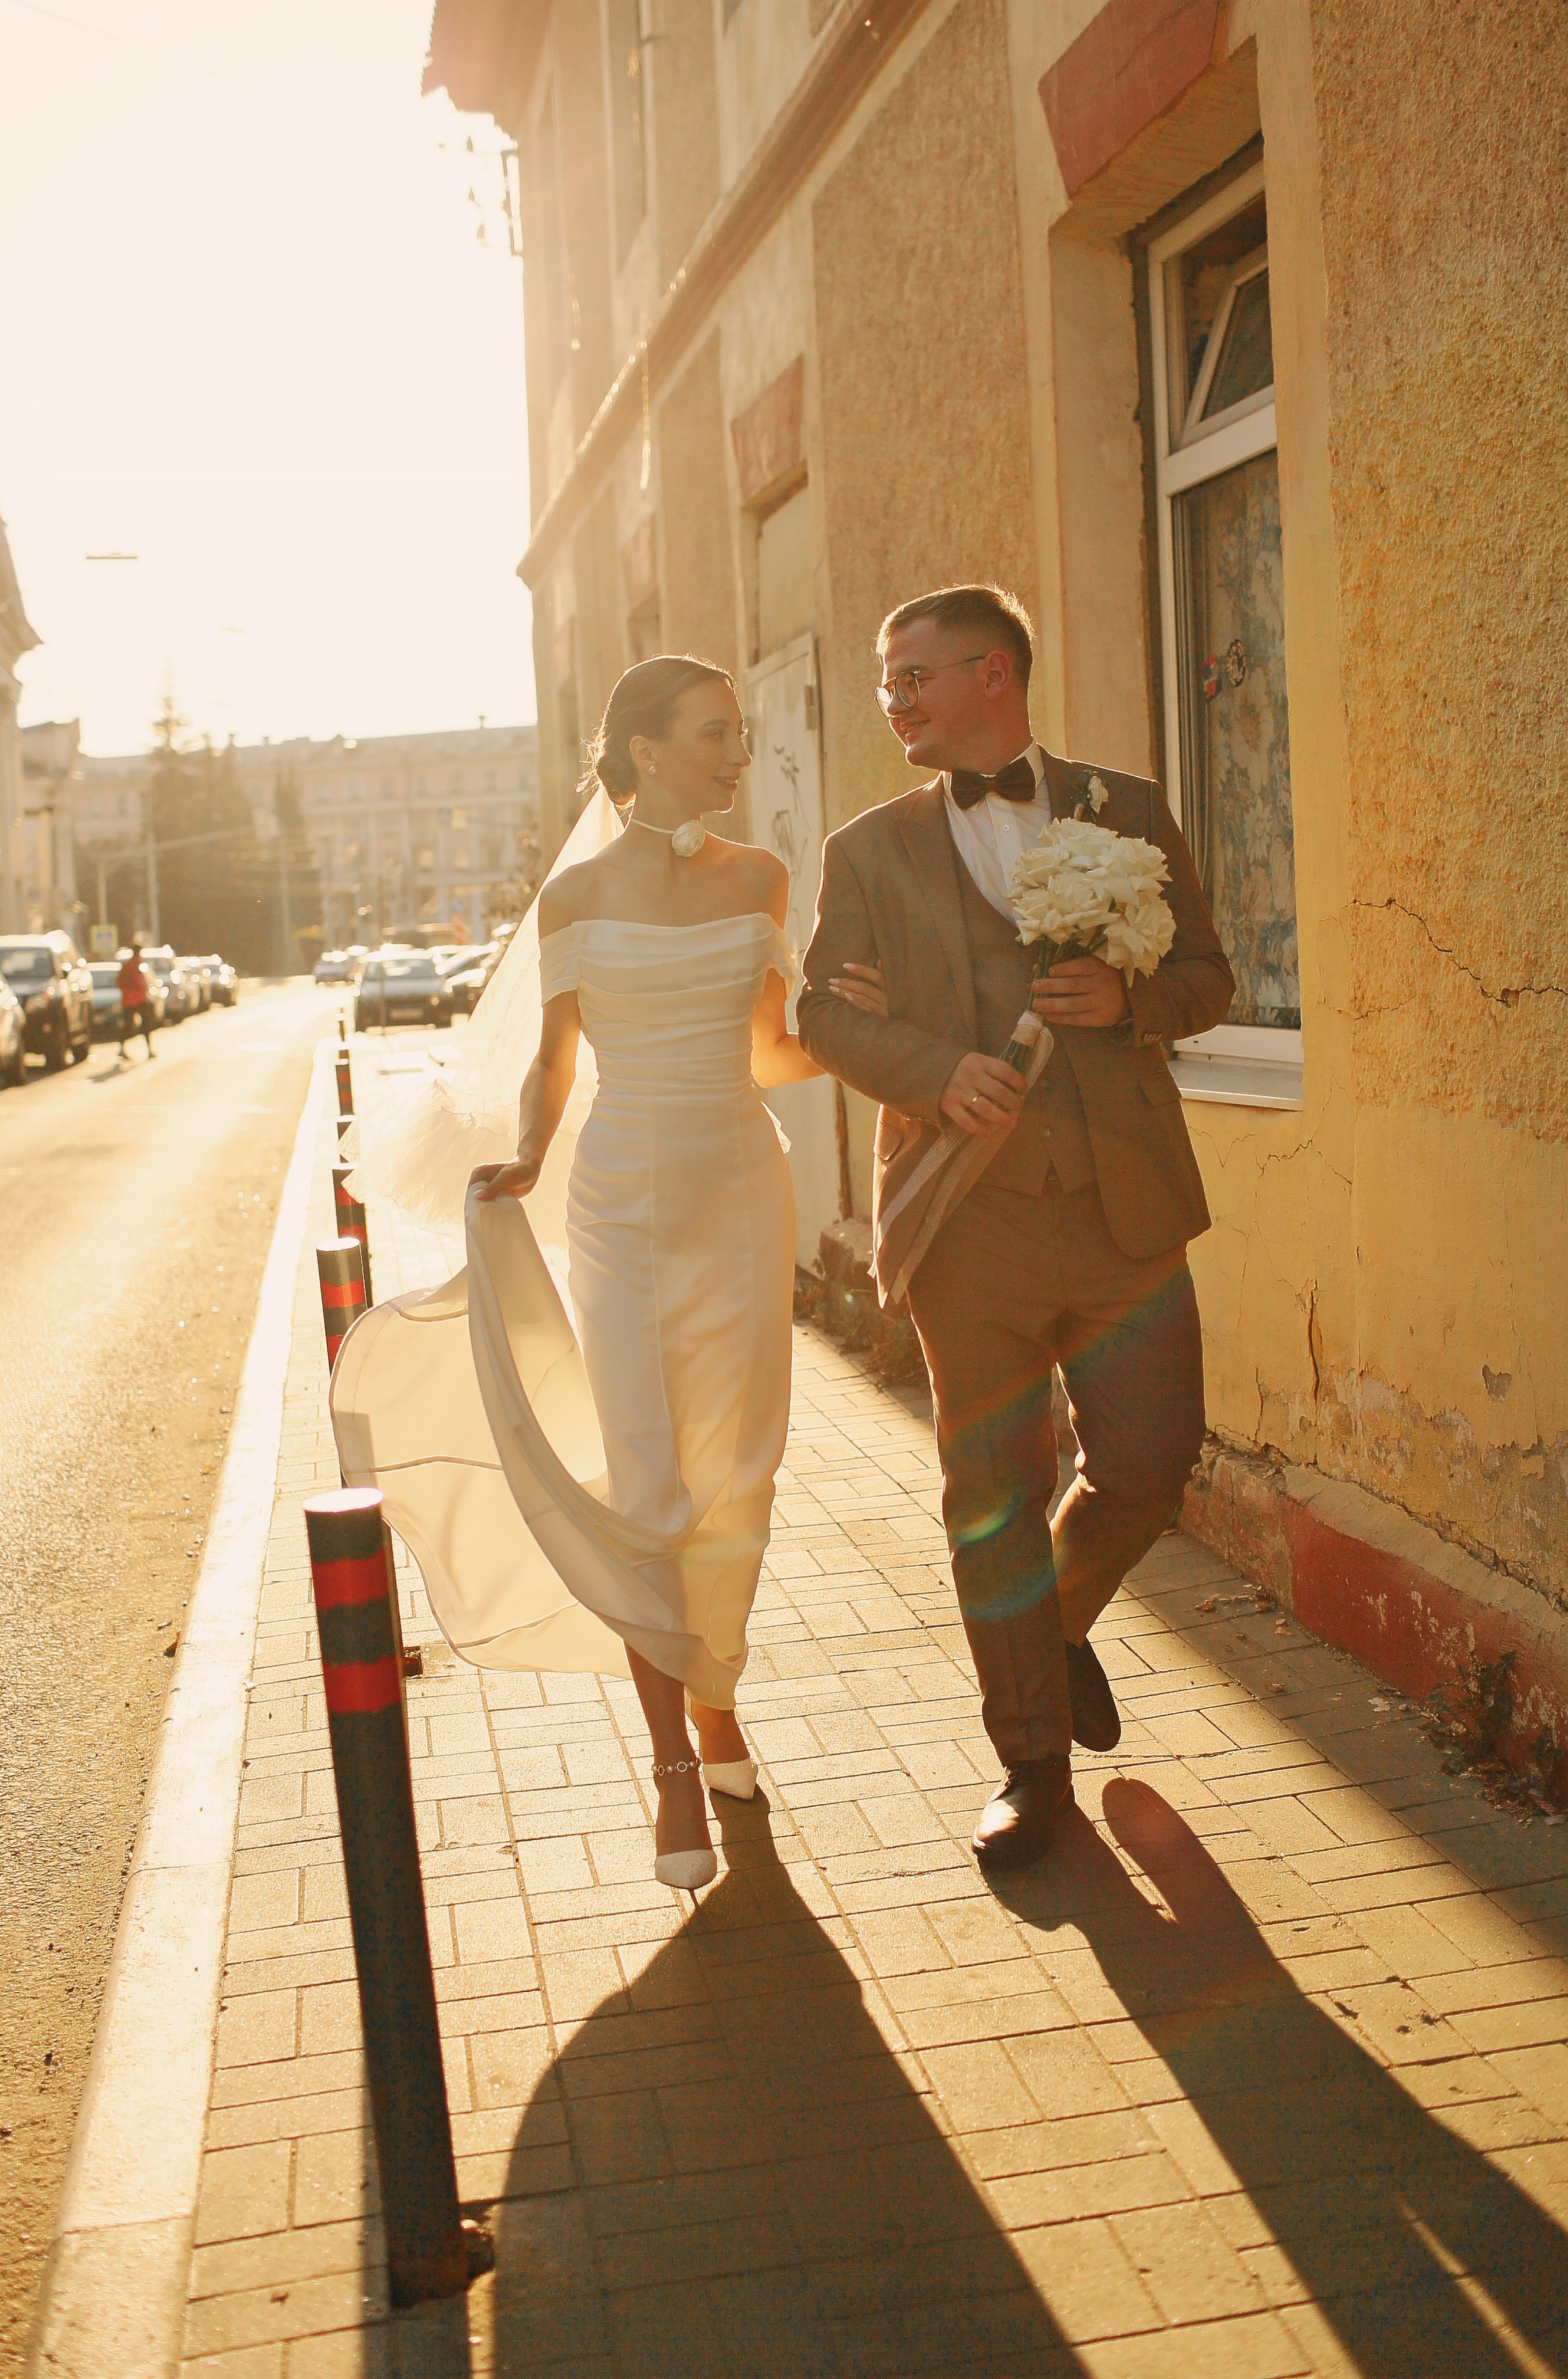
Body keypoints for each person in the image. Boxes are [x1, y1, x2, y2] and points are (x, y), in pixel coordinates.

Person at [334, 657, 885, 1901]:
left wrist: (868, 1032)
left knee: (741, 1472)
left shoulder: (761, 878)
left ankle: (719, 1698)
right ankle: (672, 1763)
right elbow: (555, 1058)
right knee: (648, 1480)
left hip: (742, 1185)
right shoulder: (577, 895)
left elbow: (775, 1052)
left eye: (743, 734)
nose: (737, 755)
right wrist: (528, 1152)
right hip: (621, 1201)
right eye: (714, 735)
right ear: (640, 752)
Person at [796, 586, 1234, 1872]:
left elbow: (1211, 975)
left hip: (1126, 1211)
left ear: (995, 674)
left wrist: (1131, 994)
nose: (895, 701)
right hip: (967, 1224)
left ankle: (1052, 1632)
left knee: (1154, 1460)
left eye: (914, 675)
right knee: (991, 1495)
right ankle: (1030, 1763)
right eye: (886, 682)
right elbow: (824, 1015)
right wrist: (929, 1070)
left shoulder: (1127, 810)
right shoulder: (867, 851)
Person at [117, 942, 154, 1061]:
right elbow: (139, 983)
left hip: (128, 1000)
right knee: (145, 1024)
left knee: (128, 1025)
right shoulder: (135, 965)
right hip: (138, 999)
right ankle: (149, 1050)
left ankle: (122, 1049)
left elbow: (119, 982)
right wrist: (144, 992)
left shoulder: (128, 965)